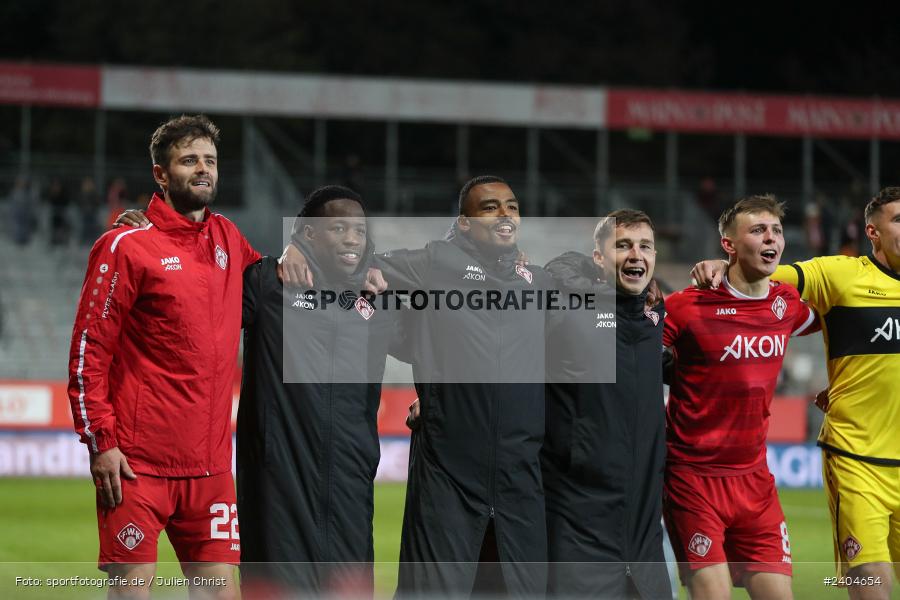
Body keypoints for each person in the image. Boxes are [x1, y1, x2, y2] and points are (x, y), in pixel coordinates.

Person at [67, 115, 259, 598]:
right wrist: (101, 442)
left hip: (212, 466)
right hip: (137, 465)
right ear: (160, 174)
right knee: (133, 590)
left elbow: (273, 292)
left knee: (221, 592)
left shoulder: (229, 239)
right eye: (189, 159)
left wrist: (300, 256)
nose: (203, 169)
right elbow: (90, 350)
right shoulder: (126, 245)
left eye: (210, 160)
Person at [691, 188, 900, 600]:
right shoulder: (843, 275)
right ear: (873, 231)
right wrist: (724, 263)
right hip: (861, 460)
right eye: (899, 219)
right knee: (873, 581)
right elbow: (764, 277)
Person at [237, 185, 399, 596]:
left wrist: (429, 401)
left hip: (351, 488)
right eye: (339, 227)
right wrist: (147, 231)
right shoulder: (268, 285)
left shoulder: (378, 298)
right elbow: (200, 277)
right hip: (281, 489)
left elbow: (444, 338)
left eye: (360, 232)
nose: (352, 238)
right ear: (308, 233)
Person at [665, 195, 819, 600]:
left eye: (777, 231)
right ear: (728, 245)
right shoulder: (687, 306)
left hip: (755, 480)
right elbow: (629, 352)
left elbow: (844, 318)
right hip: (692, 478)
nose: (771, 238)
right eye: (757, 230)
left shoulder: (785, 304)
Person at [541, 208, 673, 599]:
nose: (636, 255)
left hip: (643, 535)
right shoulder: (570, 312)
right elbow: (559, 266)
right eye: (623, 246)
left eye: (645, 246)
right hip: (578, 530)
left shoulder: (655, 317)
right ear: (598, 258)